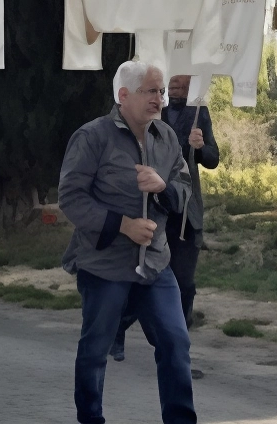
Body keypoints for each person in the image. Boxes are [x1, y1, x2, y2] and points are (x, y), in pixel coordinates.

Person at [59, 61, 195, 424]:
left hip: (154, 264)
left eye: (161, 91)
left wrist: (163, 187)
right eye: (150, 91)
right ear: (124, 95)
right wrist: (123, 225)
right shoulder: (92, 137)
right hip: (104, 266)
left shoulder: (166, 137)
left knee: (175, 342)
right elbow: (71, 198)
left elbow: (184, 191)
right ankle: (90, 418)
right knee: (95, 350)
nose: (160, 99)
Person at [111, 73, 219, 369]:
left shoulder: (201, 115)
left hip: (186, 212)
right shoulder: (151, 115)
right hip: (155, 210)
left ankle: (178, 354)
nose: (175, 92)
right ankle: (117, 327)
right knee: (145, 278)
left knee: (184, 284)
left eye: (181, 87)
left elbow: (212, 159)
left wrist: (200, 147)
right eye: (171, 87)